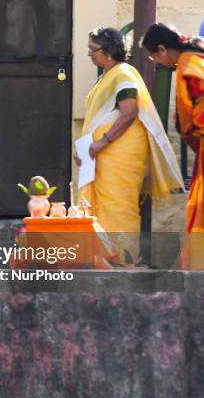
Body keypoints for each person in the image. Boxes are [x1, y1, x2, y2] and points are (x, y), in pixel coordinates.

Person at [76, 27, 182, 239]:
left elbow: (130, 111)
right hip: (101, 153)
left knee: (118, 204)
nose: (89, 54)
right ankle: (103, 258)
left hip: (118, 153)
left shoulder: (123, 73)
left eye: (92, 49)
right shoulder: (108, 76)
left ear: (108, 51)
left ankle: (125, 260)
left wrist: (100, 143)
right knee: (100, 207)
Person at [142, 23, 204, 269]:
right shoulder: (194, 59)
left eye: (153, 56)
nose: (155, 61)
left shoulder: (190, 65)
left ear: (162, 49)